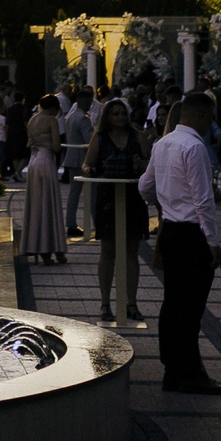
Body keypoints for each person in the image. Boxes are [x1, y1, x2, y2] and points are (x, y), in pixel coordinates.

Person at [140, 90, 221, 395]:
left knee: (173, 303)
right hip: (192, 235)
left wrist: (162, 204)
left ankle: (172, 369)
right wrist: (213, 243)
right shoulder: (195, 147)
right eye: (210, 117)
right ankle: (190, 372)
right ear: (202, 115)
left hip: (171, 232)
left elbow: (144, 186)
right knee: (190, 308)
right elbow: (203, 201)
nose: (210, 123)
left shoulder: (162, 143)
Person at [83, 97, 148, 324]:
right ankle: (104, 302)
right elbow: (87, 163)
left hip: (132, 196)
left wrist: (141, 164)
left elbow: (148, 164)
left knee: (132, 250)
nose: (120, 117)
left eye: (123, 113)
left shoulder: (137, 136)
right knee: (108, 249)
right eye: (115, 113)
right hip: (108, 197)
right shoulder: (99, 138)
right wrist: (91, 170)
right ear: (107, 116)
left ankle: (131, 302)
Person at [22, 93, 68, 263]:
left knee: (37, 204)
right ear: (54, 108)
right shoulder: (51, 120)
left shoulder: (33, 119)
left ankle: (38, 246)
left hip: (33, 161)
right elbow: (56, 147)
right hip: (46, 162)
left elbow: (29, 143)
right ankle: (53, 248)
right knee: (49, 204)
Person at [59, 89, 95, 241]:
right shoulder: (83, 118)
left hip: (72, 157)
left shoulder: (71, 116)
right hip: (82, 159)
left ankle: (71, 223)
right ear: (83, 101)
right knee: (93, 193)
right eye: (89, 101)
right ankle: (98, 224)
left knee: (74, 193)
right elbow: (89, 140)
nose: (90, 104)